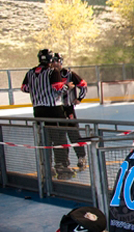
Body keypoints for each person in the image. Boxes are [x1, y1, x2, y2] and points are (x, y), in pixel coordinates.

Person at [21, 48, 74, 179]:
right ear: (51, 60)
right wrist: (68, 87)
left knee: (44, 138)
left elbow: (24, 88)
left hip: (38, 109)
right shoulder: (52, 72)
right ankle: (62, 167)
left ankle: (46, 167)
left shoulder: (31, 72)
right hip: (53, 109)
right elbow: (57, 87)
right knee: (59, 138)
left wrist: (38, 91)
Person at [50, 53, 88, 171]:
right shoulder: (48, 75)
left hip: (68, 108)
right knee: (59, 136)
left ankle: (81, 157)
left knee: (74, 133)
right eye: (53, 61)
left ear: (61, 62)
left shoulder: (69, 74)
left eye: (57, 61)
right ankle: (62, 161)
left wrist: (79, 99)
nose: (55, 64)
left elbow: (83, 85)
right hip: (55, 109)